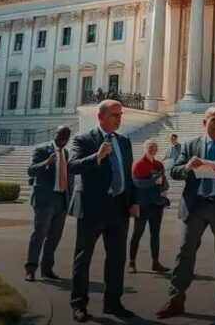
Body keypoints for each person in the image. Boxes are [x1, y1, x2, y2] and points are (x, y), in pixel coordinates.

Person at [156, 106, 215, 318]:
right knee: (185, 252)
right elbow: (174, 172)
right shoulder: (190, 145)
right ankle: (175, 300)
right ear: (204, 122)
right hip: (195, 205)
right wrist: (187, 167)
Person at [68, 100, 137, 322]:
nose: (119, 119)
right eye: (114, 115)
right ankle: (79, 304)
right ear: (100, 117)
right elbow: (73, 166)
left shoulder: (124, 141)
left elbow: (128, 174)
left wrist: (134, 201)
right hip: (93, 207)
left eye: (120, 115)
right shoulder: (84, 139)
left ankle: (113, 303)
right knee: (83, 257)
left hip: (119, 207)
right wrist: (97, 157)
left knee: (117, 258)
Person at [24, 125, 72, 282]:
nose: (63, 140)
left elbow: (68, 175)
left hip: (61, 199)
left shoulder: (66, 153)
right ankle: (30, 269)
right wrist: (47, 162)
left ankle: (47, 269)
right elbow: (31, 171)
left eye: (66, 138)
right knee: (39, 234)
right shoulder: (41, 150)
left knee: (54, 237)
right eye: (61, 136)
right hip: (45, 200)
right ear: (54, 134)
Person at [129, 139, 169, 274]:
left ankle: (155, 262)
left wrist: (163, 191)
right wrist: (153, 180)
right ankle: (131, 263)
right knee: (137, 233)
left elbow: (163, 182)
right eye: (150, 147)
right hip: (142, 204)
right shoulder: (138, 163)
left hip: (157, 204)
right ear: (144, 148)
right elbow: (137, 184)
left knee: (155, 234)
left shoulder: (159, 164)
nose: (153, 149)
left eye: (155, 147)